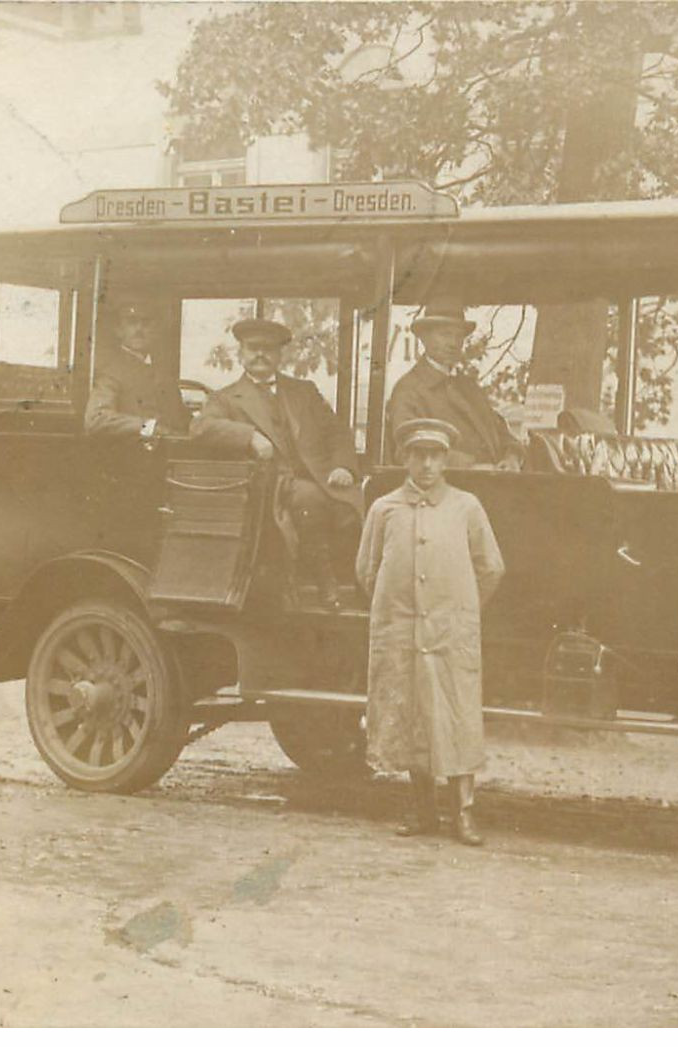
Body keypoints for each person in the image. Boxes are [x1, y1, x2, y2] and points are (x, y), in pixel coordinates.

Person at [355, 418, 506, 846]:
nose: (426, 464)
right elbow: (367, 570)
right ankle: (423, 810)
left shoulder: (466, 507)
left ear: (446, 460)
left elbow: (491, 567)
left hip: (450, 632)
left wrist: (460, 607)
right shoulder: (385, 509)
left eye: (435, 455)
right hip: (402, 629)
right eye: (418, 455)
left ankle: (464, 814)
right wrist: (401, 607)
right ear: (404, 458)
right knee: (411, 716)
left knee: (456, 717)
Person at [195, 317, 362, 605]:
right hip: (268, 486)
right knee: (309, 500)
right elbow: (201, 428)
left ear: (279, 355)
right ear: (241, 354)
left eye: (268, 348)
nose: (260, 354)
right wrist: (249, 436)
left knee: (358, 507)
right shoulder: (226, 398)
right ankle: (325, 582)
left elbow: (336, 431)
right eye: (253, 348)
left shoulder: (304, 391)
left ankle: (360, 584)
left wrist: (342, 466)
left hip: (321, 477)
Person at [385, 295, 524, 470]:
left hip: (491, 486)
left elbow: (502, 433)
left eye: (458, 337)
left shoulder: (469, 387)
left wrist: (512, 457)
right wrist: (473, 466)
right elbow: (409, 450)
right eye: (445, 334)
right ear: (424, 338)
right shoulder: (409, 390)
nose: (453, 343)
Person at [84, 300, 192, 441]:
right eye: (132, 322)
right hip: (131, 454)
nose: (139, 329)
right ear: (119, 330)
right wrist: (147, 426)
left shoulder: (163, 374)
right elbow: (96, 419)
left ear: (154, 331)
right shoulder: (112, 372)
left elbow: (181, 419)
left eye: (146, 323)